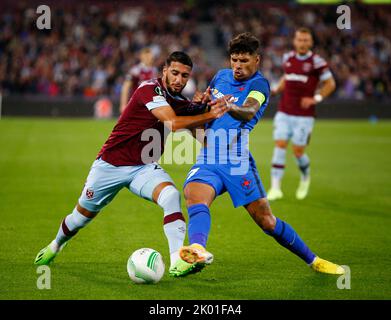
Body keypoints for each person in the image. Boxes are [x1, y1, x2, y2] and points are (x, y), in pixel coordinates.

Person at [34, 51, 228, 277]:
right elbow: (174, 123)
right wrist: (208, 113)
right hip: (110, 165)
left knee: (171, 196)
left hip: (143, 167)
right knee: (80, 218)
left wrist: (210, 122)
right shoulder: (149, 89)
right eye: (174, 73)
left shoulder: (180, 101)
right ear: (164, 71)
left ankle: (177, 261)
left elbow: (196, 130)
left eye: (184, 76)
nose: (179, 79)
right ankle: (55, 245)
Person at [177, 33, 344, 276]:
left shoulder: (259, 85)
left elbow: (248, 111)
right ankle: (197, 250)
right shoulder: (221, 76)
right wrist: (200, 103)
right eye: (234, 60)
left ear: (257, 60)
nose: (238, 66)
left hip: (236, 161)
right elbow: (206, 113)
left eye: (244, 60)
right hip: (209, 156)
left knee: (266, 221)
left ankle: (314, 260)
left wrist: (228, 105)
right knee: (193, 196)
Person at [267, 27, 336, 201]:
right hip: (284, 110)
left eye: (306, 40)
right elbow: (287, 77)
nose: (302, 43)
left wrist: (316, 98)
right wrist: (276, 89)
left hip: (304, 115)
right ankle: (275, 188)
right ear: (295, 41)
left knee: (298, 151)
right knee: (280, 145)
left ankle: (305, 176)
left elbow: (330, 84)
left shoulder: (317, 62)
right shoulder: (287, 58)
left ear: (311, 42)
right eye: (300, 39)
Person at [119, 47, 158, 114]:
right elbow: (126, 87)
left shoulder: (154, 70)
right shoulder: (136, 70)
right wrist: (123, 104)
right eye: (146, 56)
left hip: (150, 104)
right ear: (141, 57)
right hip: (137, 104)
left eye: (150, 56)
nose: (149, 58)